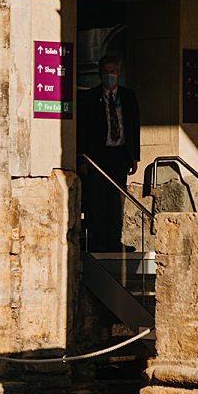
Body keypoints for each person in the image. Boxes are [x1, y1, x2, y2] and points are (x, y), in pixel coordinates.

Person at [76, 54, 140, 253]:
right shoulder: (89, 97)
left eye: (112, 72)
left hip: (119, 154)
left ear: (119, 73)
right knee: (97, 199)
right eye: (106, 72)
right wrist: (82, 157)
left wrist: (134, 156)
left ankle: (114, 240)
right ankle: (98, 240)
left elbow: (133, 127)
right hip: (97, 156)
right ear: (100, 74)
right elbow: (83, 129)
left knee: (116, 199)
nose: (109, 76)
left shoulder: (128, 97)